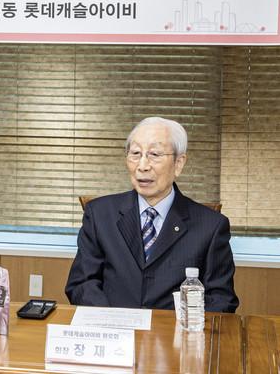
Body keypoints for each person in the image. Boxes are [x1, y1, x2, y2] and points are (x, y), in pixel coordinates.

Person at [65, 117, 238, 312]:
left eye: (154, 154)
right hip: (112, 328)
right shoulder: (99, 214)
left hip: (175, 330)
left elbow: (221, 300)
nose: (142, 166)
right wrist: (112, 321)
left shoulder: (211, 225)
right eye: (135, 153)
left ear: (178, 163)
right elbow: (82, 283)